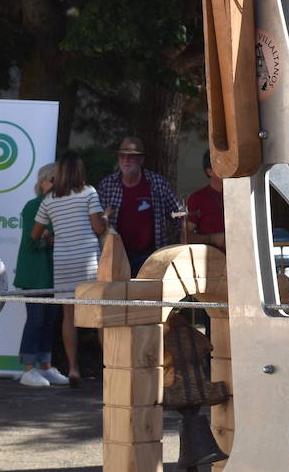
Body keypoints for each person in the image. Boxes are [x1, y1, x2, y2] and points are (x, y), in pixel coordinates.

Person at [32, 152, 107, 387]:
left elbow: (35, 234)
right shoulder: (89, 192)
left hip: (63, 261)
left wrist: (51, 237)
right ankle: (108, 367)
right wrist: (106, 218)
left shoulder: (50, 199)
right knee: (99, 315)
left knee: (68, 316)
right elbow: (97, 227)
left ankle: (73, 368)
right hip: (87, 260)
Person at [96, 136, 185, 275]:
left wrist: (185, 238)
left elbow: (178, 214)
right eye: (122, 156)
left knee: (149, 295)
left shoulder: (157, 183)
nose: (125, 160)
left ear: (141, 160)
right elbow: (97, 224)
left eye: (131, 157)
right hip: (116, 258)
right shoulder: (107, 185)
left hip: (152, 257)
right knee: (117, 296)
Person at [15, 163, 68, 388]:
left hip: (54, 274)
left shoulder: (64, 206)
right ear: (42, 182)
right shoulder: (33, 206)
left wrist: (49, 236)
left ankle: (45, 365)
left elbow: (59, 237)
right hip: (34, 274)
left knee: (50, 320)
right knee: (36, 320)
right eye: (52, 180)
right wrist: (48, 237)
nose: (56, 185)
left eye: (60, 180)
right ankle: (28, 368)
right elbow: (32, 240)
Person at [185, 152, 225, 250]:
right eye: (222, 165)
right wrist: (212, 239)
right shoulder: (197, 198)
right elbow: (185, 237)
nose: (227, 169)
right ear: (210, 171)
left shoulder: (240, 195)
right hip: (212, 260)